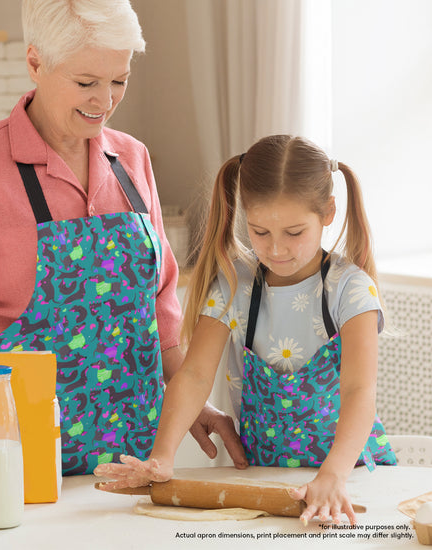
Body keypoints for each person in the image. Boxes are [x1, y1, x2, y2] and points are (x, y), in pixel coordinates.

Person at [0, 0, 244, 476]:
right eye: (86, 83)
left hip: (131, 459)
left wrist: (189, 403)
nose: (105, 100)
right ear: (35, 62)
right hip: (12, 454)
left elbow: (159, 305)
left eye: (119, 80)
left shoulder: (132, 160)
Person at [94, 135, 397, 523]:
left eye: (294, 232)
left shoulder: (350, 290)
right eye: (259, 232)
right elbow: (194, 375)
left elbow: (359, 391)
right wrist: (162, 455)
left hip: (348, 480)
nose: (276, 250)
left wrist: (333, 475)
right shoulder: (236, 284)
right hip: (264, 480)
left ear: (328, 212)